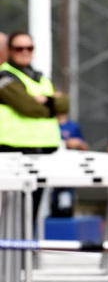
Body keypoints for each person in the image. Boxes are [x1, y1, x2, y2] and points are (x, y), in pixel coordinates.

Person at [0, 31, 71, 216]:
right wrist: (51, 103)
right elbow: (28, 107)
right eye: (19, 48)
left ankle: (24, 245)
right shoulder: (4, 77)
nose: (24, 52)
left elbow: (66, 104)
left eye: (29, 48)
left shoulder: (41, 77)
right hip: (13, 153)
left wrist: (44, 101)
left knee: (30, 213)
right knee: (10, 215)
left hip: (43, 151)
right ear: (9, 50)